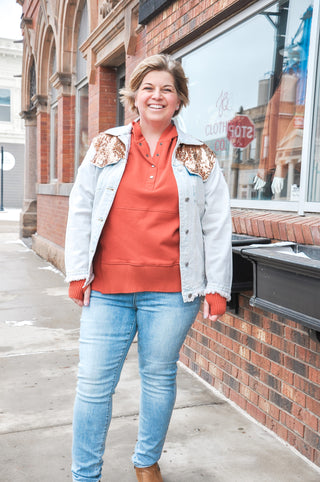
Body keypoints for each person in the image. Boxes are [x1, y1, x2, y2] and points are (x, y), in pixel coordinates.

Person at [65, 54, 232, 482]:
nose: (157, 96)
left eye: (167, 89)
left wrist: (218, 287)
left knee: (158, 379)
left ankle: (146, 462)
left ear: (179, 100)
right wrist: (76, 271)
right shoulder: (107, 144)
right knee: (94, 386)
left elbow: (216, 223)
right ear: (134, 96)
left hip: (172, 292)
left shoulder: (199, 155)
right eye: (148, 88)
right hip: (107, 289)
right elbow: (81, 208)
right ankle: (85, 475)